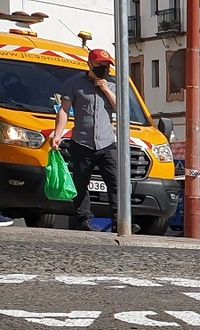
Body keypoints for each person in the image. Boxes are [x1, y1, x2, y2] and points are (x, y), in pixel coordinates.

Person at [52, 49, 120, 231]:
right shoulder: (74, 84)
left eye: (107, 65)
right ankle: (83, 220)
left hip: (107, 143)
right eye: (100, 65)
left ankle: (119, 221)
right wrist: (57, 135)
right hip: (82, 142)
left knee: (115, 183)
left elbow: (122, 109)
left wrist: (106, 89)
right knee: (80, 183)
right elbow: (64, 110)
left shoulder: (113, 85)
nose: (104, 68)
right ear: (90, 64)